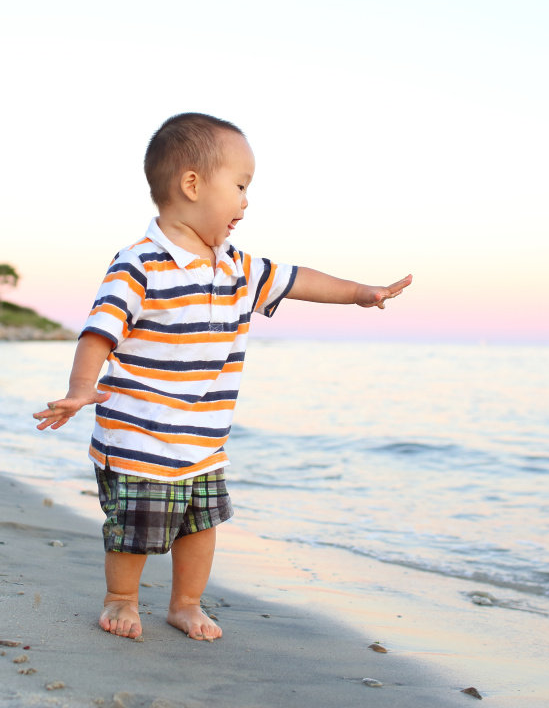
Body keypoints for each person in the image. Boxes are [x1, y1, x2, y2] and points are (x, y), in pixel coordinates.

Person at [33, 112, 412, 643]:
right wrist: (79, 391)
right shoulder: (139, 264)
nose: (246, 201)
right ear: (192, 184)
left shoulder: (237, 266)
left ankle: (185, 604)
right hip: (139, 435)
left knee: (202, 527)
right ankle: (121, 598)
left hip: (205, 441)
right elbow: (99, 332)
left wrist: (357, 292)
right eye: (240, 186)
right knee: (135, 530)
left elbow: (299, 279)